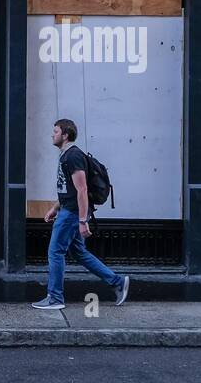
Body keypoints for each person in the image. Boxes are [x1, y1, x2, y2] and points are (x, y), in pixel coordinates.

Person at [32, 118, 129, 310]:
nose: (53, 134)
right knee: (79, 253)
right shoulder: (66, 156)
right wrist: (55, 207)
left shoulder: (73, 156)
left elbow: (82, 189)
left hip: (71, 214)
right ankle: (117, 282)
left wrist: (82, 221)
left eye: (56, 131)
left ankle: (55, 298)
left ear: (65, 135)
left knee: (55, 252)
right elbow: (69, 189)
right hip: (67, 209)